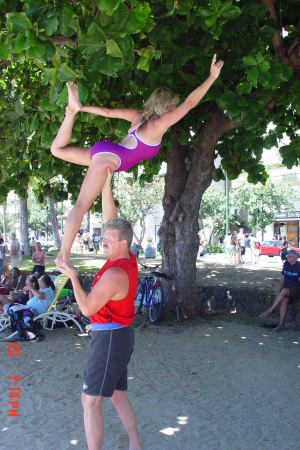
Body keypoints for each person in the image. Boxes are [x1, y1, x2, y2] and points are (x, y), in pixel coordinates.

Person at [51, 55, 224, 270]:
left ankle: (72, 111)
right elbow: (190, 103)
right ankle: (63, 255)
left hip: (105, 152)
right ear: (167, 105)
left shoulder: (138, 116)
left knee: (57, 150)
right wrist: (211, 78)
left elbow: (107, 112)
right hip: (112, 157)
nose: (175, 109)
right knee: (81, 205)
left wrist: (82, 108)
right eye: (173, 106)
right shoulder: (159, 124)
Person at [59, 169, 141, 450]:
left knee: (90, 400)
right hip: (119, 335)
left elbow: (84, 308)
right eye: (103, 237)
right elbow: (111, 217)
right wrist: (106, 183)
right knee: (118, 396)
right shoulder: (126, 257)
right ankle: (135, 445)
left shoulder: (114, 275)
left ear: (123, 243)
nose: (102, 240)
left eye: (108, 239)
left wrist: (72, 275)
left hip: (109, 339)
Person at [259, 249, 300, 331]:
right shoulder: (286, 264)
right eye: (287, 256)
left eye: (290, 256)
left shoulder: (299, 266)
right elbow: (282, 279)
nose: (288, 257)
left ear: (295, 257)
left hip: (296, 289)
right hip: (287, 289)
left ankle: (270, 311)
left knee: (284, 290)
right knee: (284, 301)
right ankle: (281, 325)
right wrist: (279, 290)